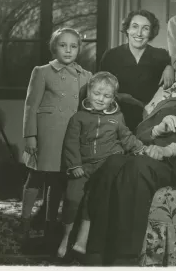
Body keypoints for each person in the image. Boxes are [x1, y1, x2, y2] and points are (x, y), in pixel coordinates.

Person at [84, 69, 176, 266]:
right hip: (143, 154)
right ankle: (94, 250)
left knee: (138, 167)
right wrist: (157, 129)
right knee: (113, 163)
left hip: (172, 166)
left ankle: (125, 257)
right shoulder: (170, 103)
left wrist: (167, 150)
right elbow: (138, 133)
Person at [57, 71, 146, 258]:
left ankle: (83, 240)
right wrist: (74, 165)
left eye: (106, 96)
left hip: (105, 167)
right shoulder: (78, 118)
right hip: (82, 167)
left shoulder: (117, 117)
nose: (100, 99)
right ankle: (65, 238)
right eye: (96, 94)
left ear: (113, 97)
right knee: (72, 199)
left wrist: (140, 148)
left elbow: (126, 136)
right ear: (89, 92)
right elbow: (70, 143)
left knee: (94, 200)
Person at [21, 27, 92, 249]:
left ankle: (50, 225)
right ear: (54, 47)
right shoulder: (42, 72)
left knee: (58, 180)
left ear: (79, 48)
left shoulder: (86, 76)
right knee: (36, 176)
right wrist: (30, 136)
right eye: (63, 45)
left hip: (69, 136)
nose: (68, 50)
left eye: (73, 46)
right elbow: (31, 106)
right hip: (46, 134)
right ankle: (24, 223)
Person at [100, 9, 175, 132]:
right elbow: (100, 88)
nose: (139, 33)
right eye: (135, 27)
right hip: (116, 118)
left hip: (151, 119)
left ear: (151, 32)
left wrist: (169, 66)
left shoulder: (161, 56)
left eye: (145, 28)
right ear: (127, 29)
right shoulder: (111, 55)